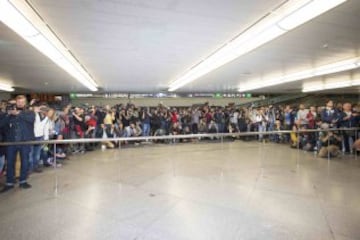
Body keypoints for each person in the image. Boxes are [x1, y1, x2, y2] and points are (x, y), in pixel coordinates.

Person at [1, 95, 35, 193]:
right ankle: (9, 183)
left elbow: (31, 120)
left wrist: (18, 113)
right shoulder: (8, 113)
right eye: (18, 102)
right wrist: (8, 114)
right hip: (11, 142)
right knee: (10, 162)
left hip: (25, 141)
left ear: (25, 103)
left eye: (22, 102)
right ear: (15, 102)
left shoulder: (29, 112)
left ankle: (23, 181)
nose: (20, 103)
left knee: (25, 162)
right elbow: (1, 124)